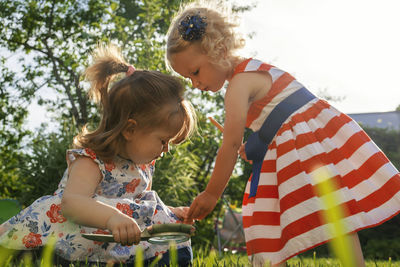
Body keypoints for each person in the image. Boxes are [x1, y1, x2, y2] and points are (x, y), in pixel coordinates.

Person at [165, 1, 400, 266]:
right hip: (314, 140)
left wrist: (211, 194)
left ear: (219, 49)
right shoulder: (255, 70)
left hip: (299, 149)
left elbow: (229, 145)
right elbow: (277, 117)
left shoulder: (238, 86)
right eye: (189, 79)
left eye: (195, 72)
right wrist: (254, 145)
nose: (195, 85)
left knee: (266, 220)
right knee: (337, 213)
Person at [0, 44, 196, 266]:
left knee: (171, 248)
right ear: (130, 130)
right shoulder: (92, 161)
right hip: (62, 244)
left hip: (105, 249)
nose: (166, 149)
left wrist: (170, 212)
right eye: (163, 140)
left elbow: (134, 205)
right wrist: (112, 218)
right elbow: (72, 203)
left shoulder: (141, 168)